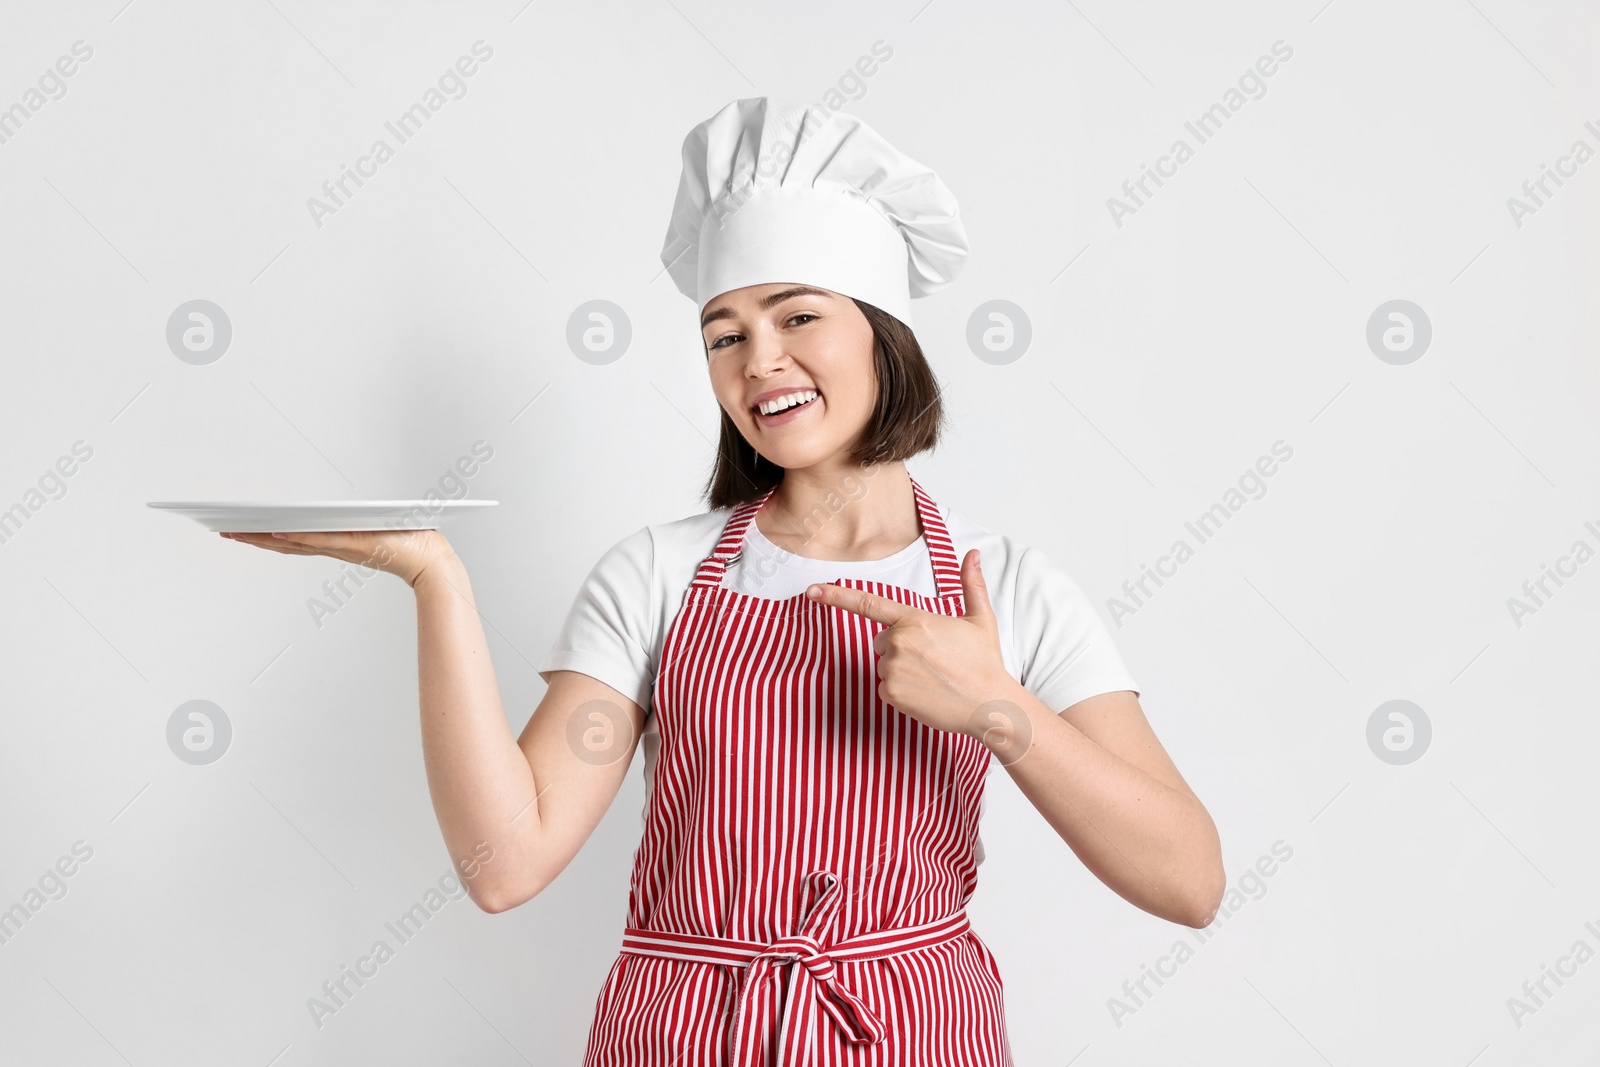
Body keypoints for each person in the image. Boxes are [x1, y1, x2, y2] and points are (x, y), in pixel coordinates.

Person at [224, 97, 1224, 1066]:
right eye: (724, 332)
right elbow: (505, 863)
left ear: (883, 332)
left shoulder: (998, 585)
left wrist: (1000, 707)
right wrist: (431, 575)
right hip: (679, 1039)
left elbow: (1189, 878)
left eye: (797, 315)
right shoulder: (655, 575)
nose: (759, 361)